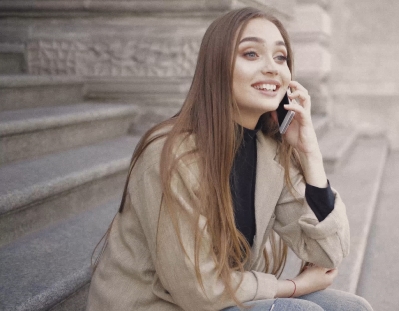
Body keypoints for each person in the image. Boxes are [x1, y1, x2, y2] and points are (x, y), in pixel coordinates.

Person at [87, 7, 373, 311]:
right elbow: (199, 290)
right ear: (217, 66)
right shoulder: (171, 155)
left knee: (353, 308)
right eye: (251, 54)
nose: (272, 68)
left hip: (220, 300)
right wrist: (292, 287)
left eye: (280, 57)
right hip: (158, 305)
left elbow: (329, 254)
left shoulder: (269, 151)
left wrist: (311, 154)